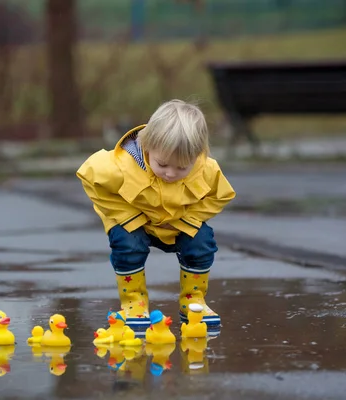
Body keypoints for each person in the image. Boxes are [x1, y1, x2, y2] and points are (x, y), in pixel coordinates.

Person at [76, 99, 236, 338]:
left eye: (182, 168)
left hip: (176, 224)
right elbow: (89, 178)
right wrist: (127, 217)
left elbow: (221, 195)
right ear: (148, 145)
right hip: (135, 224)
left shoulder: (206, 168)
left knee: (202, 242)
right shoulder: (120, 165)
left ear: (198, 154)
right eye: (162, 164)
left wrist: (189, 220)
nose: (171, 173)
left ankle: (193, 302)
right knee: (127, 245)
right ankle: (134, 303)